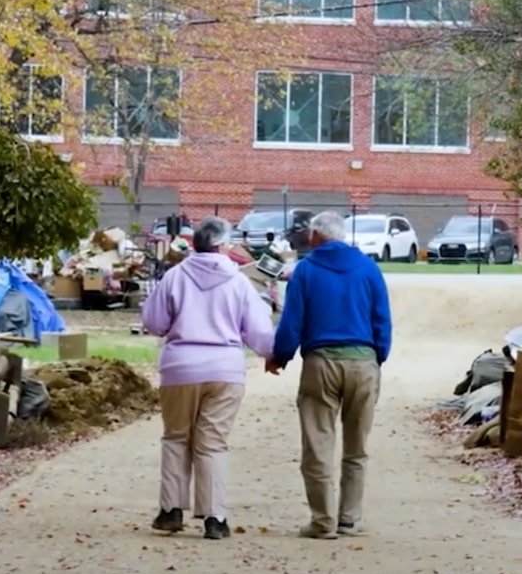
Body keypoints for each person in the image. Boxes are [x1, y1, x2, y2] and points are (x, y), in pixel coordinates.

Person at [141, 215, 275, 540]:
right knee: (212, 442)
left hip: (180, 369)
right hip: (225, 370)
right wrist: (272, 354)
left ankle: (171, 511)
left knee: (176, 437)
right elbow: (258, 332)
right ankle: (215, 518)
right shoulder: (239, 282)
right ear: (221, 246)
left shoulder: (174, 277)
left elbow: (154, 322)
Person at [266, 211, 392, 540]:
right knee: (357, 447)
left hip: (321, 362)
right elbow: (382, 319)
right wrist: (378, 357)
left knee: (318, 444)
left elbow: (292, 321)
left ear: (316, 236)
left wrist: (280, 356)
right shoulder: (368, 268)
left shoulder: (305, 271)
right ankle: (349, 518)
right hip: (363, 361)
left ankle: (323, 521)